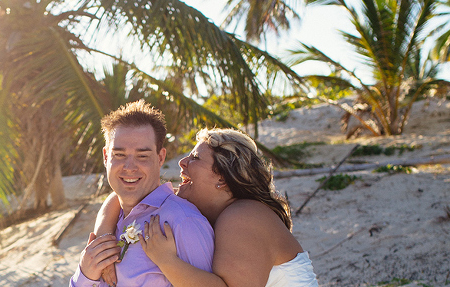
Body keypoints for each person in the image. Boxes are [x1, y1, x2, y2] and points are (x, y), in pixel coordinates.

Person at [95, 128, 319, 287]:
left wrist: (166, 261)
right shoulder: (211, 210)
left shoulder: (243, 216)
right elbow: (118, 197)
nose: (182, 163)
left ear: (221, 177)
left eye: (194, 158)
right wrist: (104, 239)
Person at [70, 100, 215, 287]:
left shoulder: (182, 221)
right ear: (106, 157)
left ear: (160, 157)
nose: (129, 167)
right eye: (119, 155)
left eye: (142, 156)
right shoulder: (111, 220)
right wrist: (85, 275)